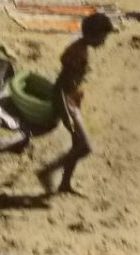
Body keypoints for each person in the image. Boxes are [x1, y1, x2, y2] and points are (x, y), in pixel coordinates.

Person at [37, 13, 114, 196]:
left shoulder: (80, 48)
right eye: (102, 38)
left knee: (76, 143)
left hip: (71, 100)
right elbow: (63, 85)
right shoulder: (77, 52)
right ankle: (47, 171)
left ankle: (65, 183)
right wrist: (67, 112)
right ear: (93, 35)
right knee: (85, 146)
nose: (103, 42)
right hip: (66, 101)